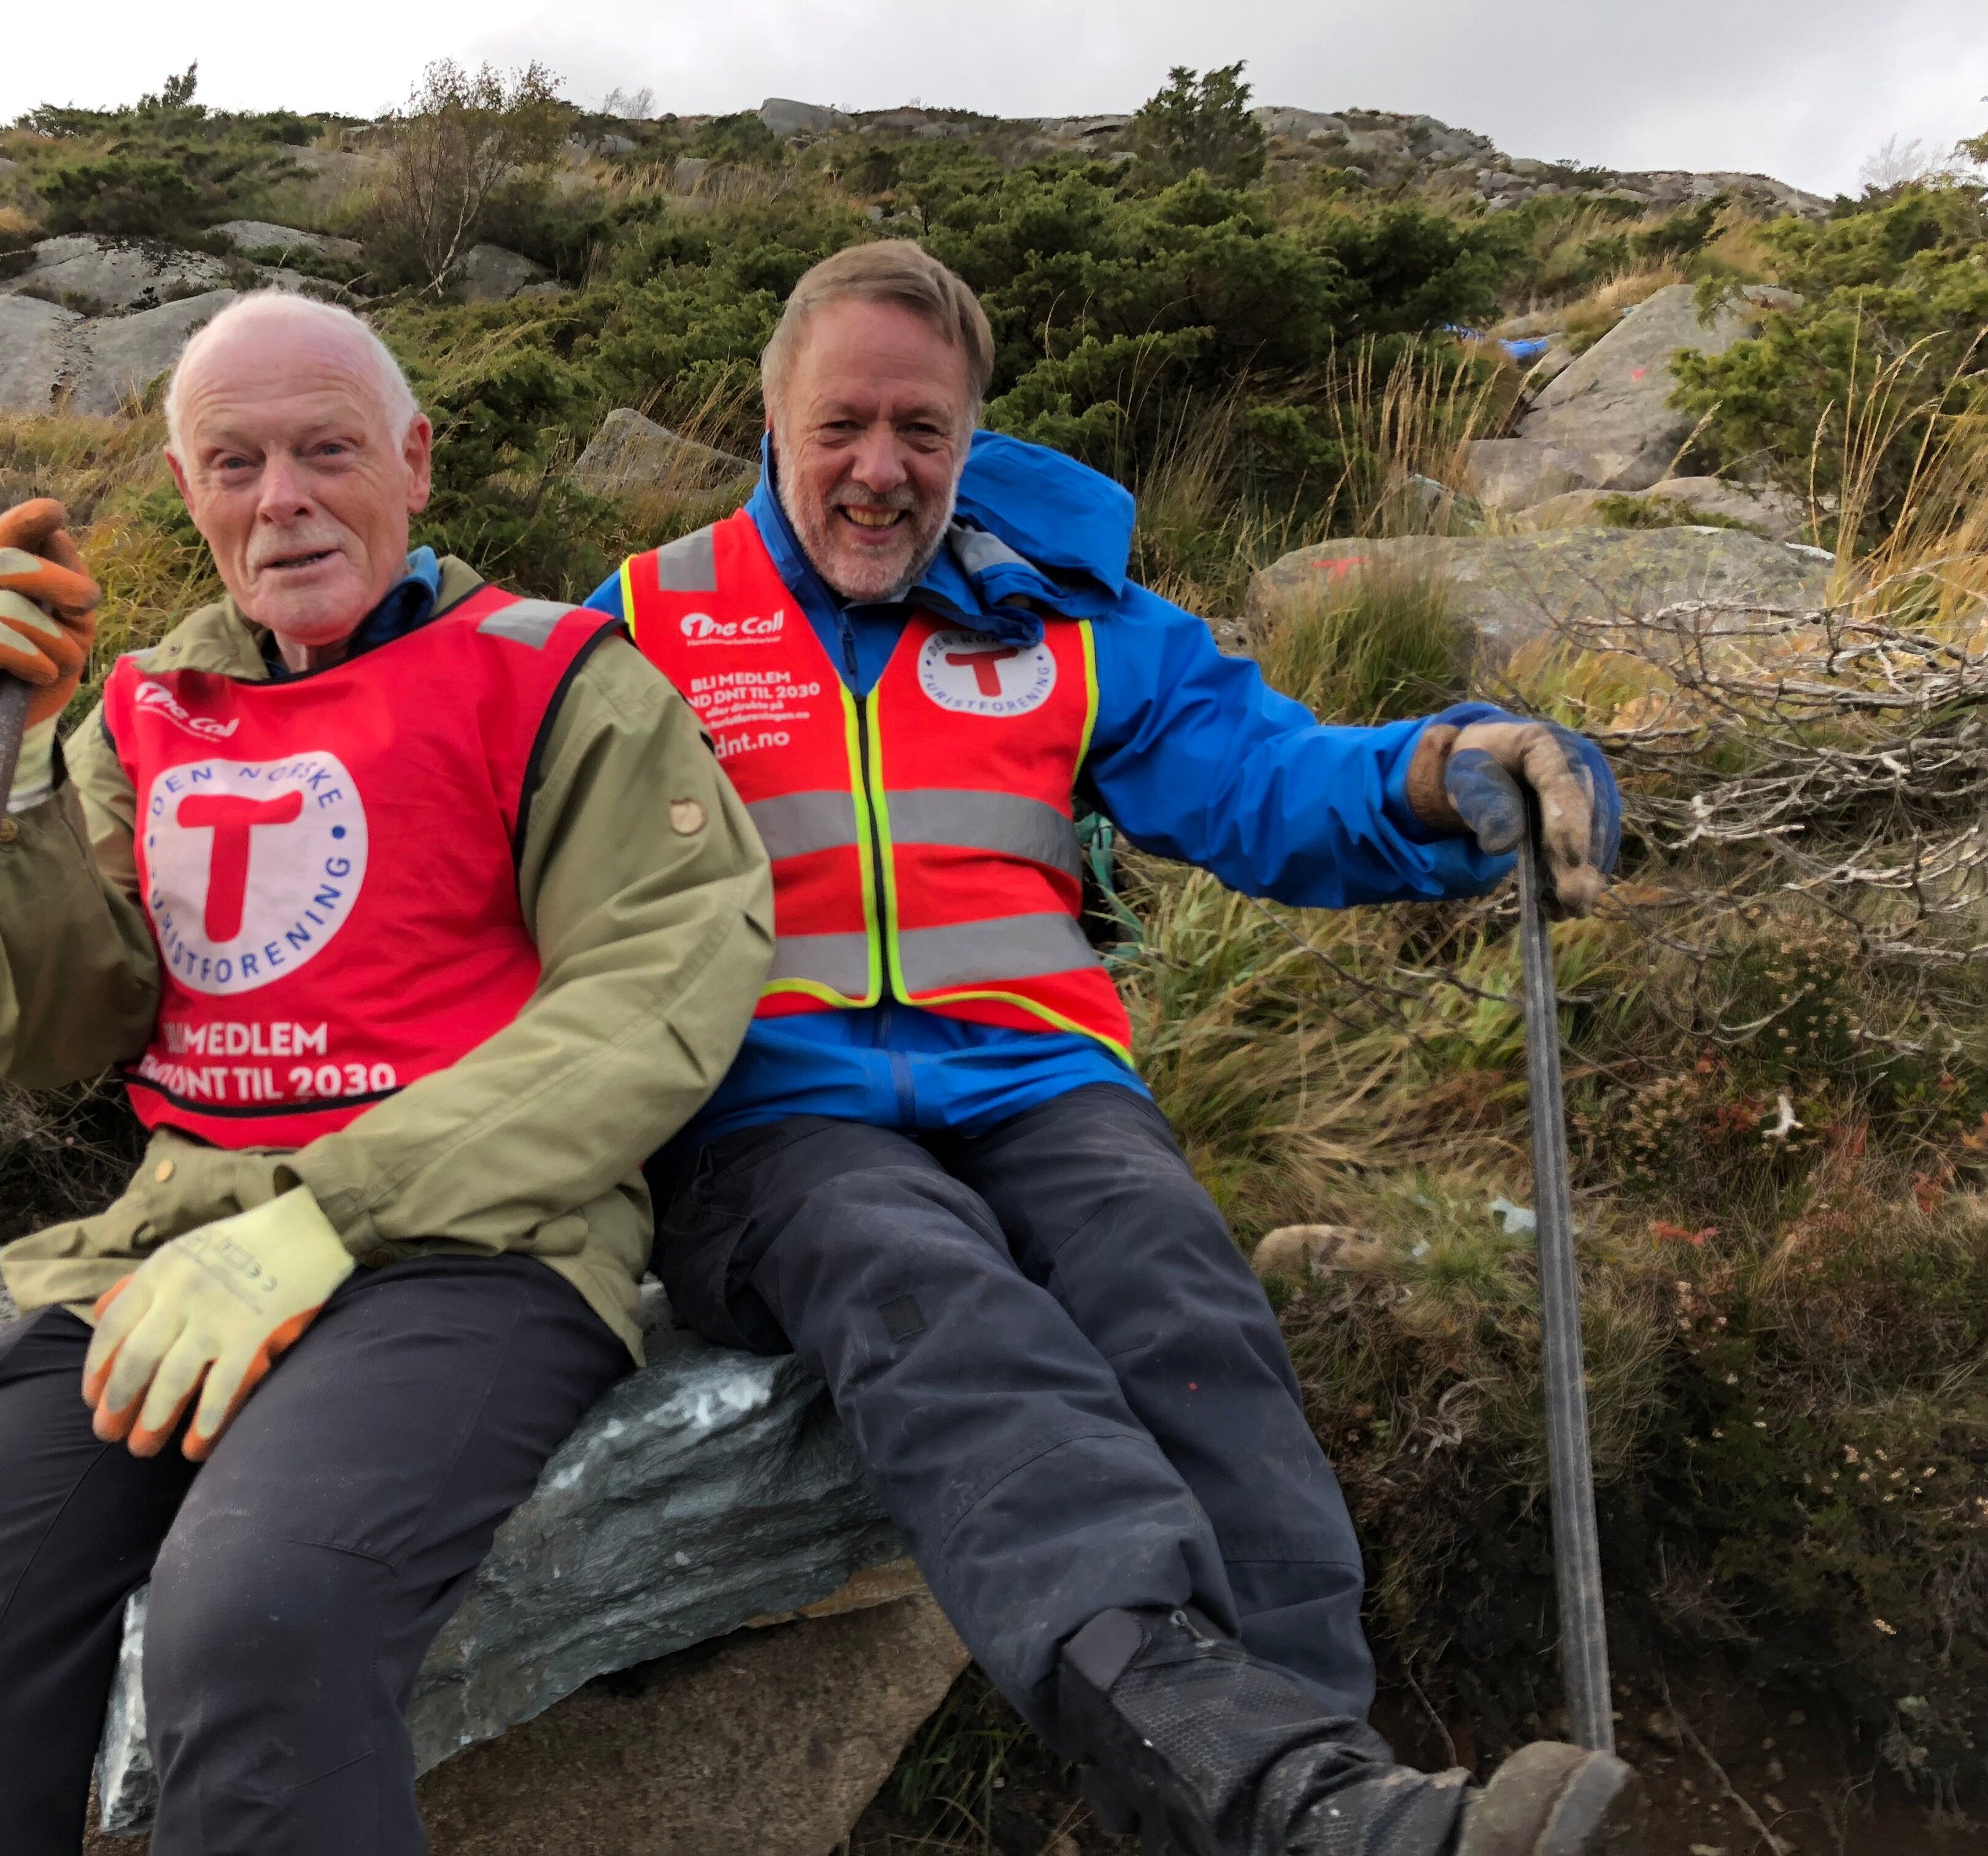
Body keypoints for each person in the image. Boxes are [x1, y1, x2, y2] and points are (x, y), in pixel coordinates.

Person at [589, 242, 1633, 1856]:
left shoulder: (1066, 615)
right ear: (772, 417)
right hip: (776, 1130)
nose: (882, 470)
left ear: (971, 431)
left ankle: (1333, 1803)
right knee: (940, 1310)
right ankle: (1302, 1812)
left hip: (1047, 1093)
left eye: (923, 431)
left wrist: (1446, 772)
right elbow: (473, 817)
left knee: (1196, 1332)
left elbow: (1266, 776)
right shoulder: (643, 622)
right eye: (843, 425)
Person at [0, 291, 774, 1856]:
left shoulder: (558, 677)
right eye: (233, 463)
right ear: (188, 493)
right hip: (158, 1262)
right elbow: (55, 1034)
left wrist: (328, 1216)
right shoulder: (143, 710)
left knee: (259, 1625)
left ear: (415, 462)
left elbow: (658, 989)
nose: (279, 498)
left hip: (467, 1260)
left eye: (326, 449)